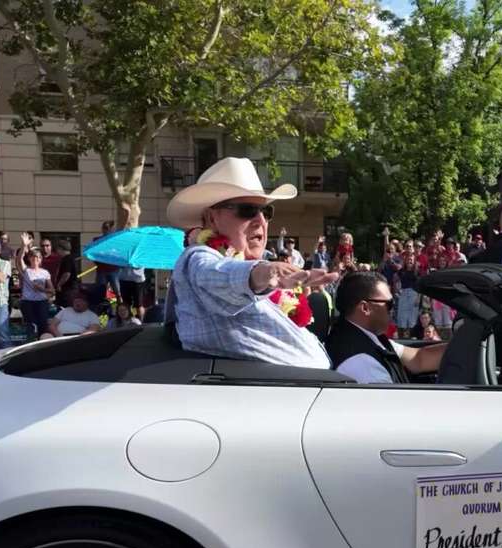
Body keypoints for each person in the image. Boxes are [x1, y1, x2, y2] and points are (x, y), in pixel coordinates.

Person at [164, 156, 335, 367]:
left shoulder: (261, 270)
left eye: (266, 211)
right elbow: (216, 274)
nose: (261, 221)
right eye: (247, 211)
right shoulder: (198, 257)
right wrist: (262, 273)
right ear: (211, 219)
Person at [326, 272, 447, 384]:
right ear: (365, 308)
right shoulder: (361, 362)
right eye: (389, 304)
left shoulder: (367, 337)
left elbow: (418, 358)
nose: (393, 309)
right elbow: (394, 403)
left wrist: (462, 347)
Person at [14, 233, 54, 340]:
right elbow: (18, 260)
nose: (35, 259)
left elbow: (52, 291)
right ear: (29, 258)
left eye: (37, 258)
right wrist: (24, 245)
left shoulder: (45, 272)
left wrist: (41, 289)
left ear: (40, 259)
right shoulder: (26, 271)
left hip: (42, 302)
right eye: (33, 257)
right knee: (30, 326)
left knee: (43, 327)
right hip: (28, 302)